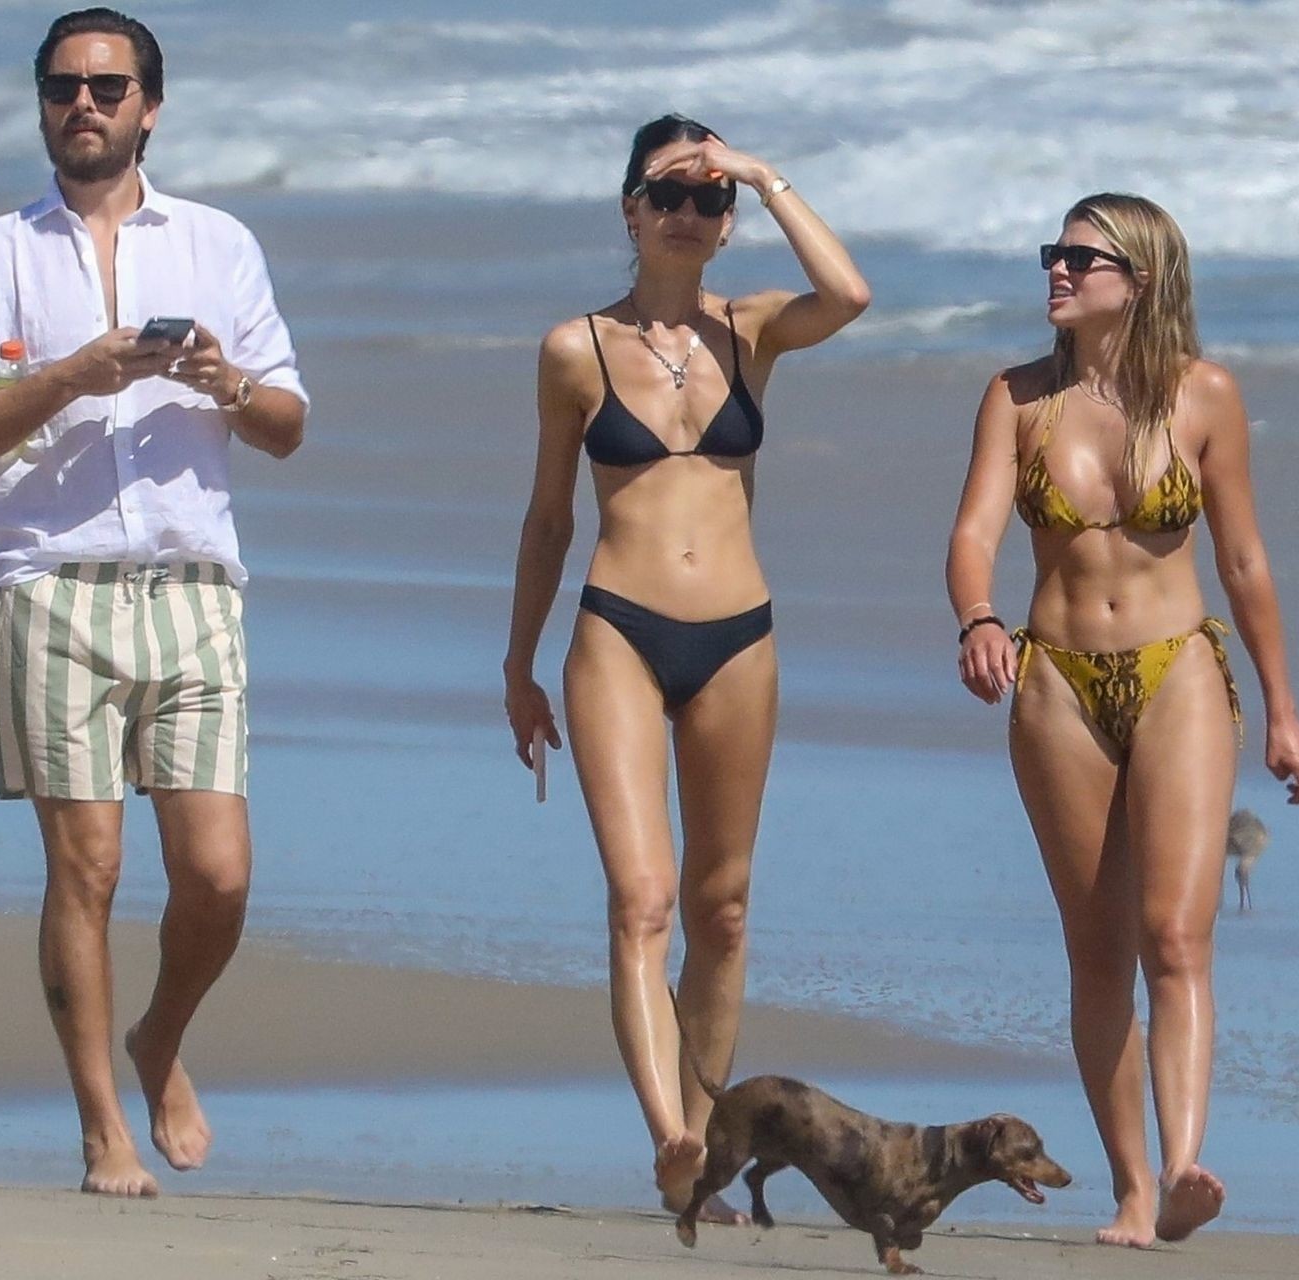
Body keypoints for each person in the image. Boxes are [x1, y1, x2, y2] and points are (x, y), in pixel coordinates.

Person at [0, 7, 308, 1197]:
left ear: (151, 106)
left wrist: (225, 379)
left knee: (219, 873)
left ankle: (160, 1037)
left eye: (106, 86)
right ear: (41, 104)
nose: (82, 104)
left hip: (194, 581)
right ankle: (103, 1131)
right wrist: (72, 375)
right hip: (51, 579)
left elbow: (287, 423)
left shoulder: (218, 244)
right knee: (85, 865)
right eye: (62, 87)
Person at [504, 114, 869, 1220]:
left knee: (724, 907)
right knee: (642, 898)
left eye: (712, 199)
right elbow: (548, 519)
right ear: (630, 210)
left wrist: (762, 173)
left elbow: (849, 295)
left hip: (738, 637)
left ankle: (703, 1145)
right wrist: (518, 664)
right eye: (668, 192)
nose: (690, 212)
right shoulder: (575, 349)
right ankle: (668, 1129)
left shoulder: (751, 331)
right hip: (617, 630)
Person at [945, 193, 1299, 1247]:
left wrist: (1285, 711)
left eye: (1081, 258)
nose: (1057, 271)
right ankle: (1134, 1188)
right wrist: (978, 617)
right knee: (1099, 949)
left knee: (1176, 933)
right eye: (1052, 255)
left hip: (1178, 669)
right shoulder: (1017, 398)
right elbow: (971, 534)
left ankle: (1187, 1162)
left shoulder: (1205, 395)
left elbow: (1243, 559)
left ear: (1140, 280)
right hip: (1056, 680)